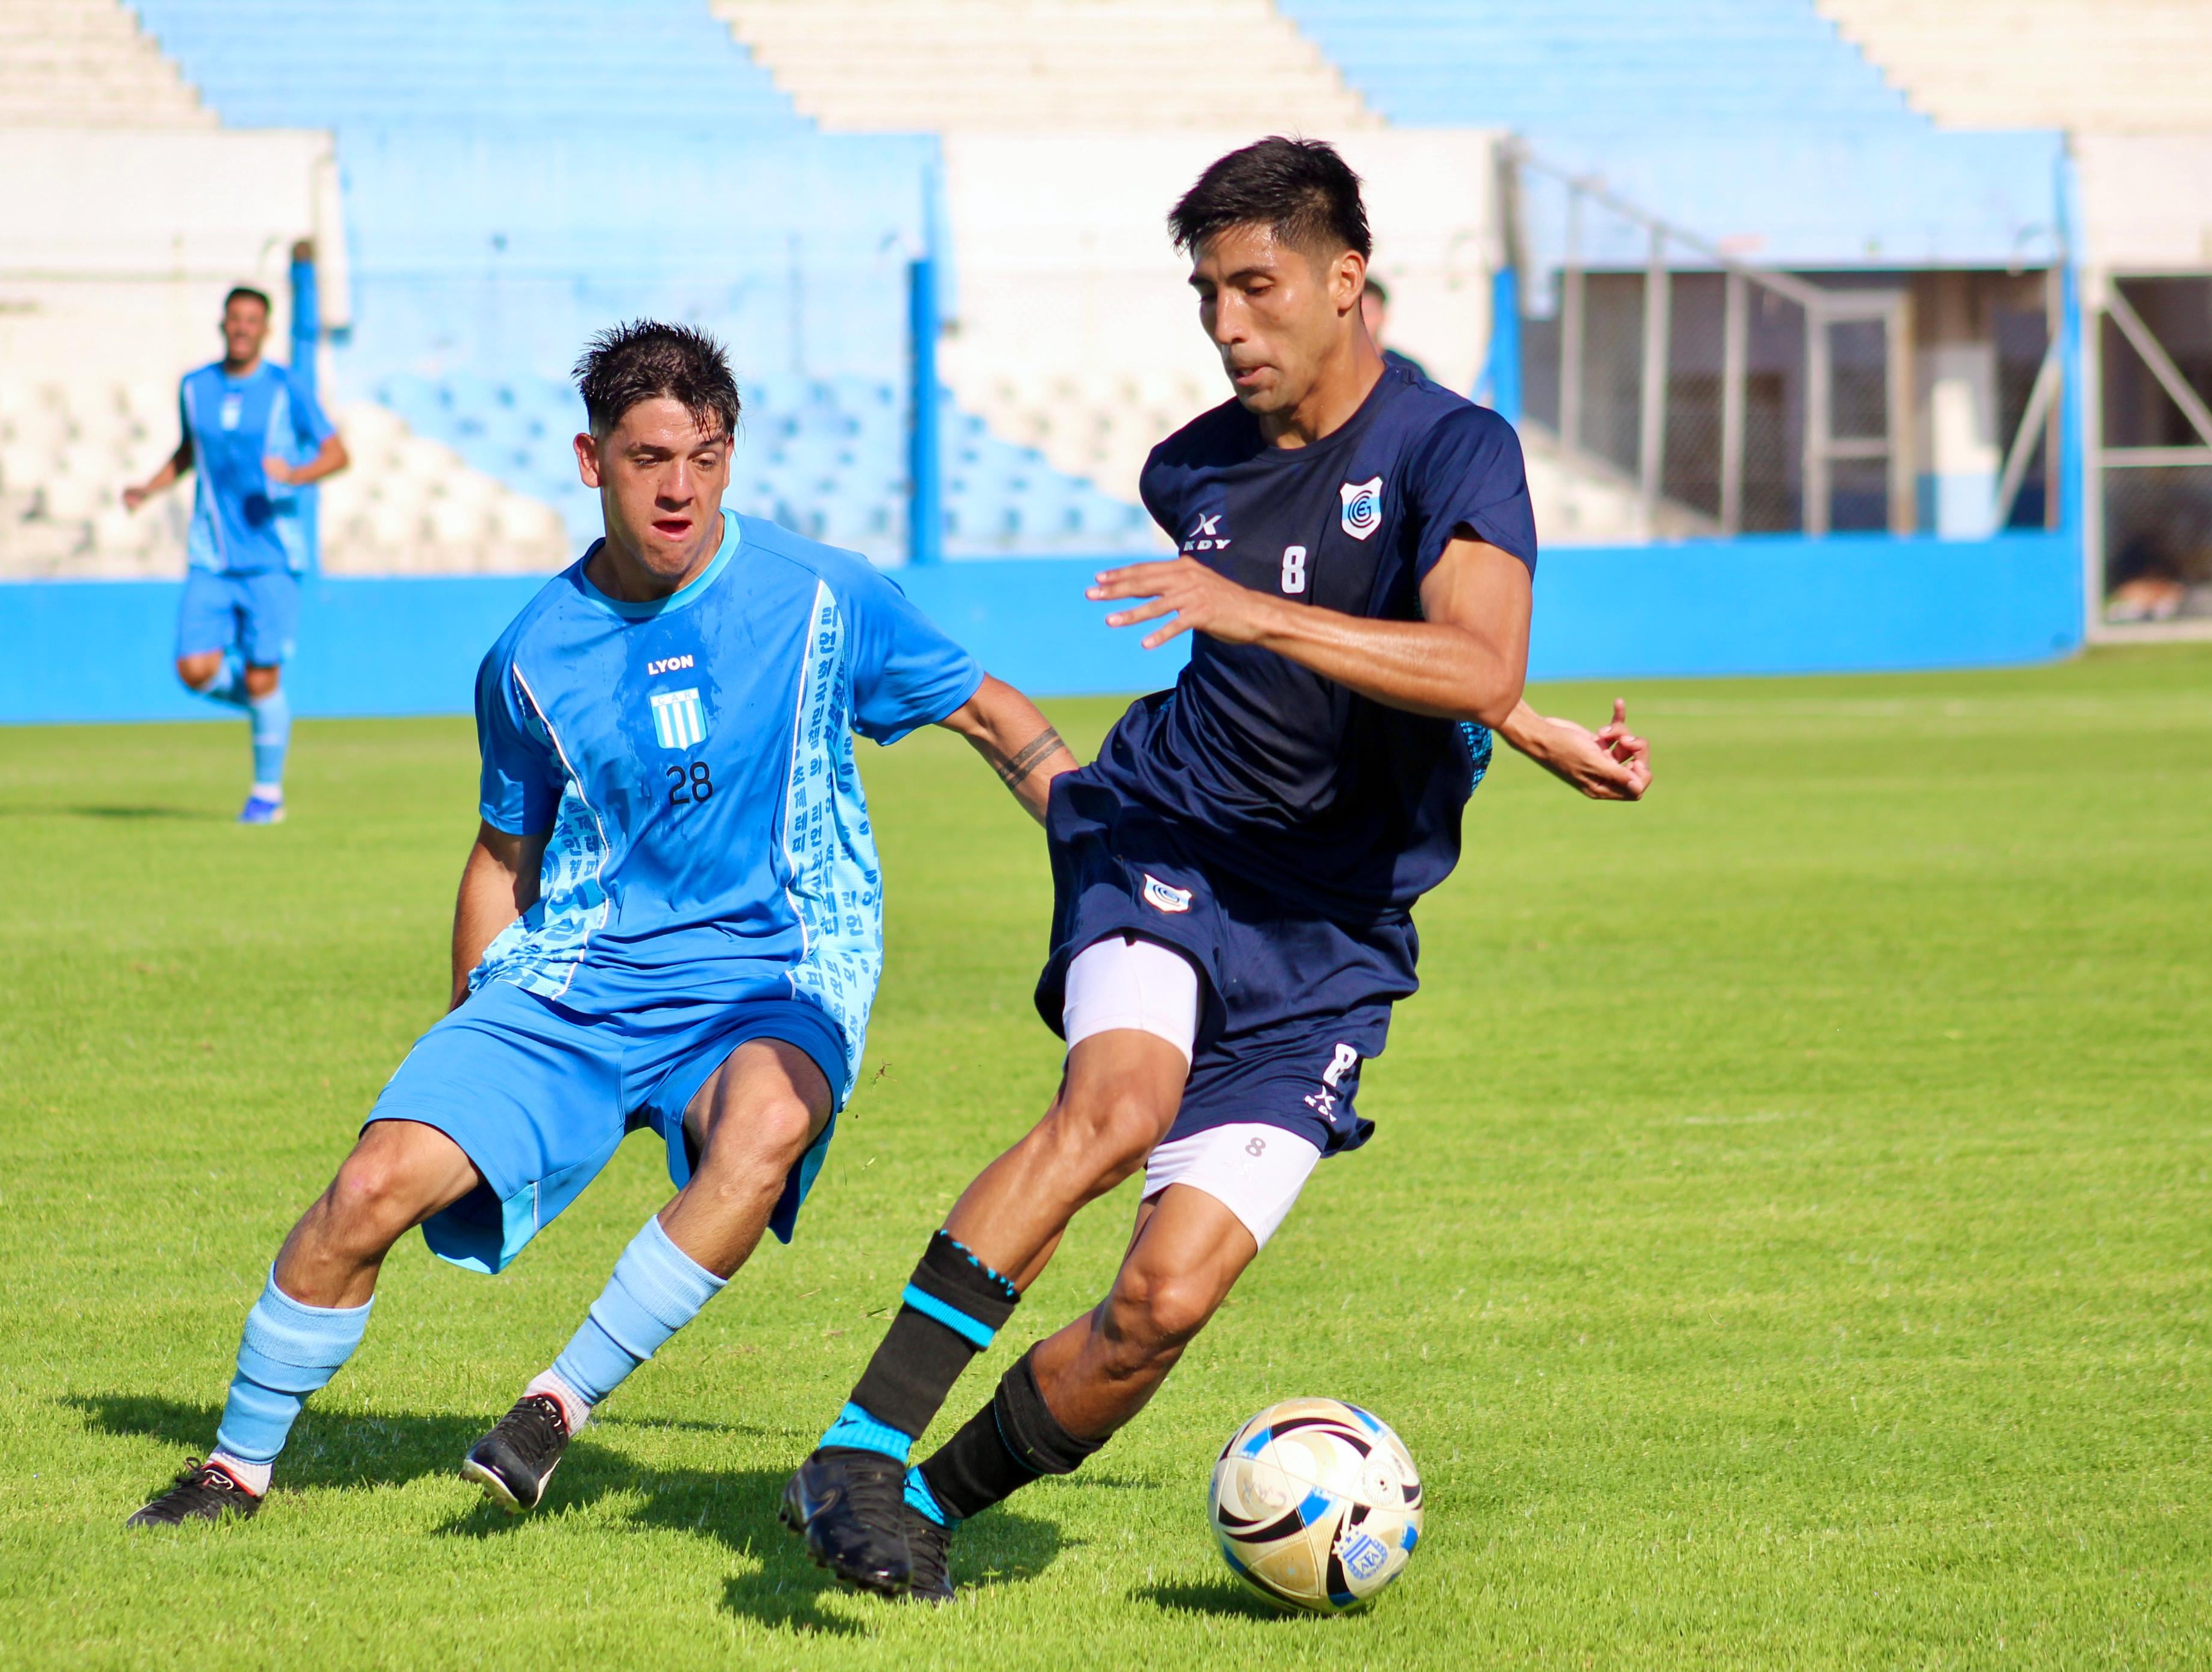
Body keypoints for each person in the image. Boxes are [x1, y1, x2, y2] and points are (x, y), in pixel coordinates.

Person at [781, 137, 1651, 1603]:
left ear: (1345, 278)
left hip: (1334, 941)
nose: (1227, 324)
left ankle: (915, 1503)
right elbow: (1328, 621)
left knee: (1162, 1303)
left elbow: (1463, 654)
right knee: (1115, 1107)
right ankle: (860, 1447)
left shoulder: (1452, 449)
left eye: (1257, 286)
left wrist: (1511, 717)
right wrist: (1277, 628)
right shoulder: (1188, 469)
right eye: (1206, 295)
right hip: (1168, 842)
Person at [127, 321, 1076, 1527]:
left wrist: (1113, 850)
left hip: (771, 978)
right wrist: (470, 1025)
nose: (681, 487)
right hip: (577, 980)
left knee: (765, 1126)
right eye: (649, 458)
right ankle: (233, 1468)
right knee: (371, 1184)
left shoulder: (822, 597)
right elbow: (501, 854)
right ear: (592, 461)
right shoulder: (530, 656)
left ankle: (555, 1403)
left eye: (705, 456)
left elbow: (994, 716)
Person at [123, 285, 350, 825]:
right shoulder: (195, 387)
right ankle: (268, 709)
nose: (243, 327)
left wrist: (295, 474)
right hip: (212, 554)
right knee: (194, 668)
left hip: (273, 558)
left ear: (266, 329)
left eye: (253, 320)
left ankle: (267, 795)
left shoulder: (286, 387)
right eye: (235, 318)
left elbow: (338, 453)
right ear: (223, 324)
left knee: (262, 676)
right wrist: (148, 488)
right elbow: (189, 451)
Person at [1361, 275, 1431, 384]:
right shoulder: (1333, 369)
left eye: (1368, 312)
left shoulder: (1409, 373)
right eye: (1354, 313)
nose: (1361, 319)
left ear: (1383, 316)